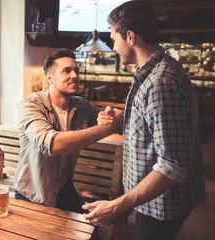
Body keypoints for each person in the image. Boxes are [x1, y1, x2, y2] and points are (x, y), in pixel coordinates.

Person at [82, 1, 205, 240]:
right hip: (151, 200)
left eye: (113, 39)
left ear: (130, 37)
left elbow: (171, 165)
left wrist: (119, 204)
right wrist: (124, 120)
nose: (113, 46)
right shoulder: (154, 71)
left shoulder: (161, 83)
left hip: (159, 205)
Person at [14, 48, 123, 214]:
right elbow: (52, 144)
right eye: (67, 71)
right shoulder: (30, 105)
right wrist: (106, 129)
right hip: (33, 194)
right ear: (49, 78)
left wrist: (112, 116)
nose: (74, 76)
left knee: (93, 227)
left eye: (76, 71)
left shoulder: (82, 105)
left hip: (65, 188)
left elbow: (108, 119)